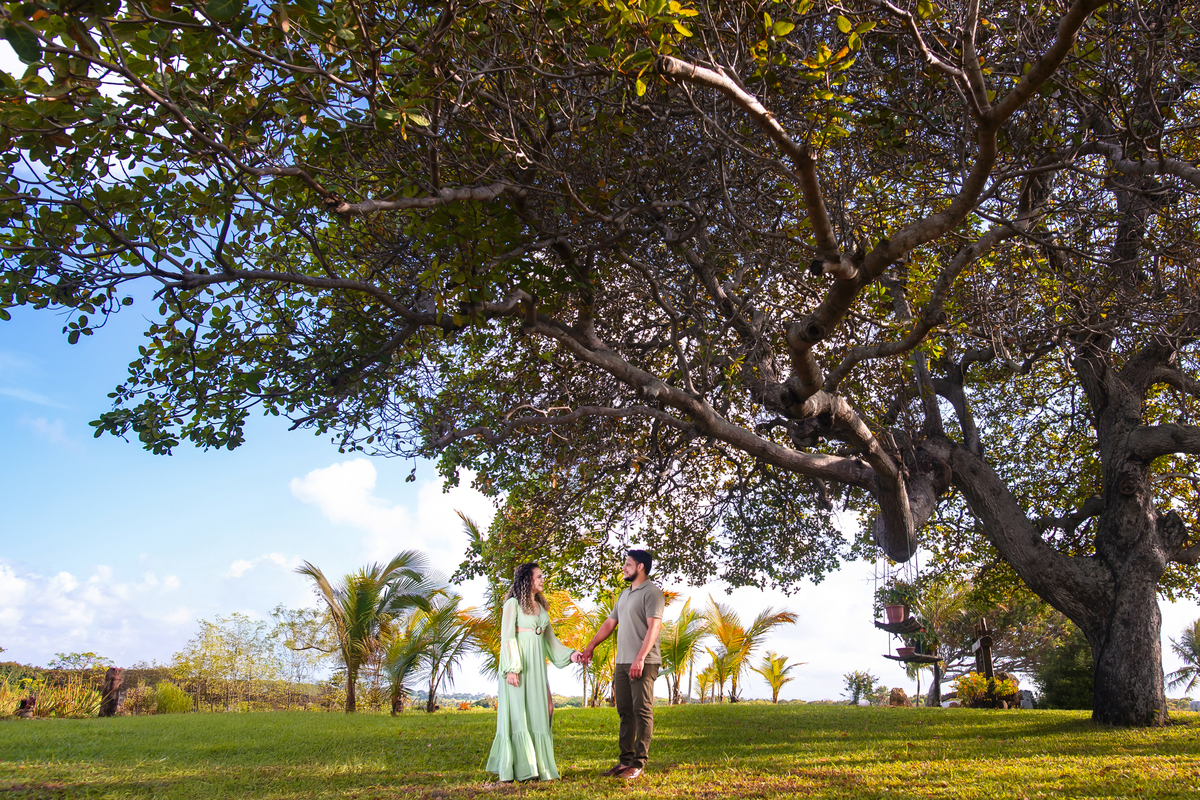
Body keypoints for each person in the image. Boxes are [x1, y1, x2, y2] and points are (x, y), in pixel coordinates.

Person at [485, 562, 584, 782]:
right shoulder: (512, 604)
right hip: (518, 666)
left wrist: (571, 655)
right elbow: (507, 637)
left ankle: (538, 765)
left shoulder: (541, 606)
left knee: (546, 709)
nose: (542, 580)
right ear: (527, 580)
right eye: (539, 576)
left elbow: (550, 640)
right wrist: (512, 668)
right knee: (519, 713)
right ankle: (519, 768)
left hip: (537, 665)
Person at [581, 549, 665, 781]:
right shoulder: (624, 595)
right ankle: (625, 761)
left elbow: (654, 628)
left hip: (644, 661)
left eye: (628, 564)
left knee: (642, 710)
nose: (624, 568)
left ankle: (638, 763)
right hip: (622, 662)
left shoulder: (652, 593)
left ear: (640, 567)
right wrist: (591, 646)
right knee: (625, 712)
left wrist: (639, 658)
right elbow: (610, 623)